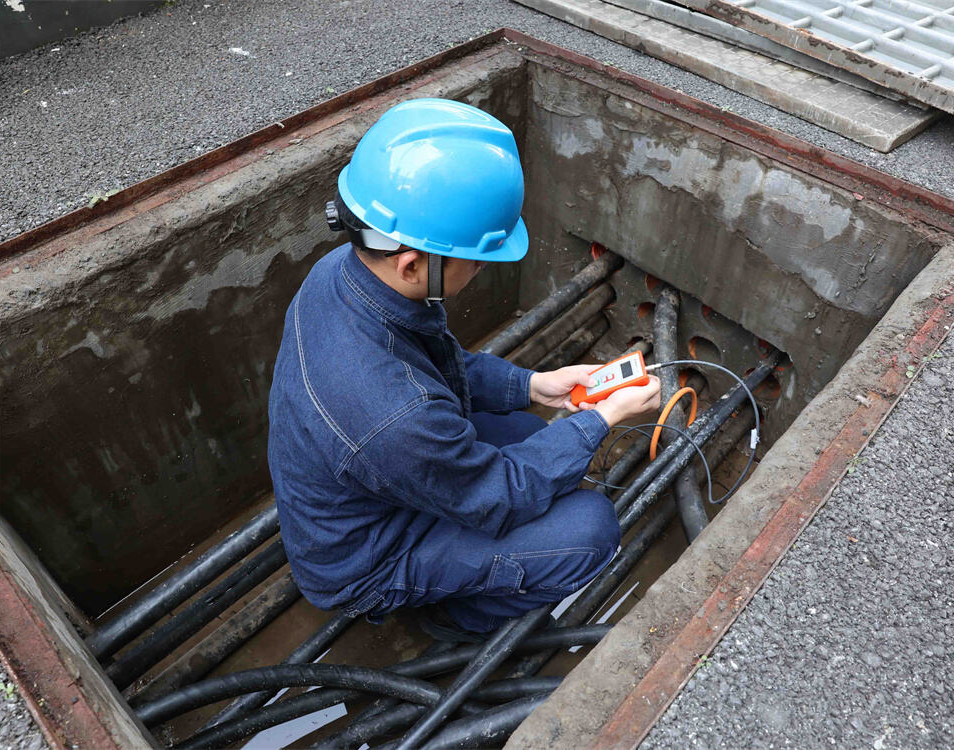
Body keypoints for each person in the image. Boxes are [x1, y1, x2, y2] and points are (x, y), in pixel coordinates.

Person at [268, 98, 661, 639]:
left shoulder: (343, 271)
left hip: (374, 481)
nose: (480, 270)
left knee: (526, 429)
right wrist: (600, 421)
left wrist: (532, 386)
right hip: (367, 561)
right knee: (590, 531)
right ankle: (452, 620)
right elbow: (498, 492)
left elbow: (437, 366)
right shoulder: (394, 417)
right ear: (413, 264)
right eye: (477, 259)